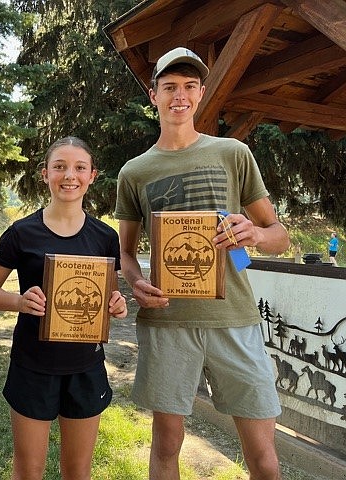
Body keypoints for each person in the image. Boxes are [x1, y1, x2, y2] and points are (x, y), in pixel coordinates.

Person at [115, 47, 290, 480]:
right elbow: (125, 252)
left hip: (235, 318)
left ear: (202, 94)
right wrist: (135, 282)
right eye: (170, 87)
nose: (180, 96)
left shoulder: (233, 153)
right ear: (152, 94)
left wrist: (254, 233)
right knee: (167, 447)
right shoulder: (133, 172)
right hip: (168, 322)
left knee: (263, 456)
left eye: (189, 87)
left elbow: (279, 236)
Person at [0, 136, 128, 480]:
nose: (69, 175)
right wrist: (19, 301)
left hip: (85, 366)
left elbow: (109, 296)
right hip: (33, 365)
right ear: (45, 174)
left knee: (77, 472)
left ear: (92, 175)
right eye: (59, 166)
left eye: (79, 167)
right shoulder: (21, 233)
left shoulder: (105, 237)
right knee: (29, 471)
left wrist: (116, 305)